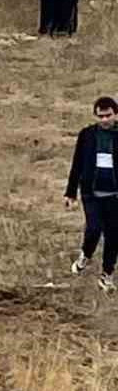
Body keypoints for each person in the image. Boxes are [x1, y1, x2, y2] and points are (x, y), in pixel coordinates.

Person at [64, 97, 118, 293]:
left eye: (108, 115)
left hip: (114, 195)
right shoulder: (87, 135)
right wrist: (70, 193)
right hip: (91, 193)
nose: (104, 120)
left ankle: (107, 275)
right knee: (94, 229)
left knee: (113, 235)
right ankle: (85, 255)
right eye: (101, 116)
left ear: (116, 114)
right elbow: (77, 164)